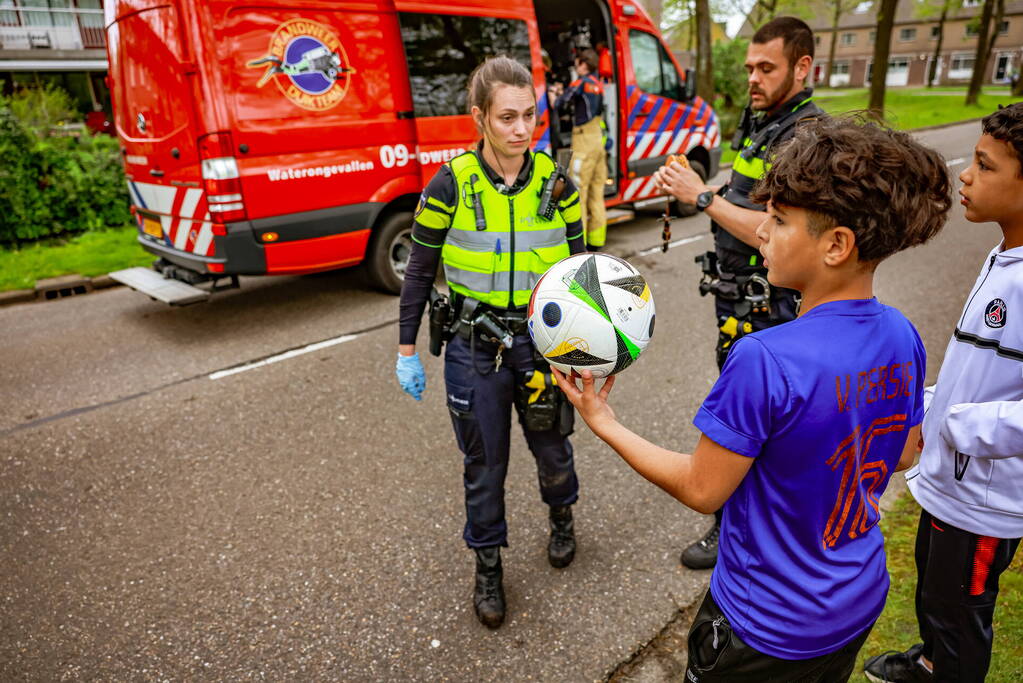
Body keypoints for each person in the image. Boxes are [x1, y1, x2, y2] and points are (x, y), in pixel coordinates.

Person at [555, 116, 952, 682]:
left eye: (780, 219)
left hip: (765, 626)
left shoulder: (765, 359)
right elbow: (907, 451)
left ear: (837, 245)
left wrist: (605, 421)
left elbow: (702, 488)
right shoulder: (902, 334)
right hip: (857, 600)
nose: (761, 230)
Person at [394, 56, 587, 630]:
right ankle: (488, 567)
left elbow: (581, 274)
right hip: (474, 346)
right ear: (479, 117)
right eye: (507, 118)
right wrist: (406, 350)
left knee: (551, 446)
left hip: (542, 342)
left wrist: (588, 351)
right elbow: (419, 273)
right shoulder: (449, 183)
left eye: (529, 115)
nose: (522, 129)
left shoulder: (558, 182)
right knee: (484, 463)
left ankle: (562, 517)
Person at [653, 16, 825, 570]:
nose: (752, 77)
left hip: (768, 313)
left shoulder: (806, 136)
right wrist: (703, 189)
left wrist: (700, 196)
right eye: (750, 66)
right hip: (737, 305)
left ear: (802, 67)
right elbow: (746, 194)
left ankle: (738, 535)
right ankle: (736, 526)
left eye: (766, 68)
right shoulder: (764, 121)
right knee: (740, 421)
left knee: (758, 427)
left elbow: (774, 231)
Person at [863, 103, 1023, 683]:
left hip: (982, 499)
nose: (966, 175)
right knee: (936, 592)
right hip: (951, 480)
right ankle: (929, 661)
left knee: (962, 615)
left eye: (985, 166)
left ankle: (947, 666)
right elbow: (979, 369)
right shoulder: (1004, 253)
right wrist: (927, 404)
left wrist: (955, 426)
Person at [554, 48, 608, 251]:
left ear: (583, 64)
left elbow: (561, 103)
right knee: (597, 192)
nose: (576, 66)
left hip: (584, 141)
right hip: (598, 141)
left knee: (579, 194)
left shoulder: (581, 83)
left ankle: (581, 246)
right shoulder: (599, 86)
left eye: (577, 63)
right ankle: (597, 241)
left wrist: (555, 96)